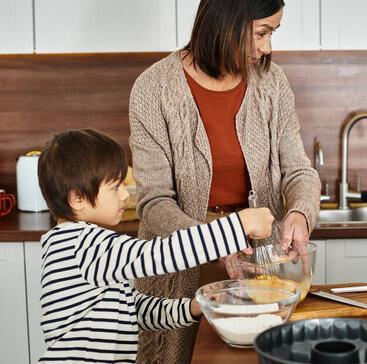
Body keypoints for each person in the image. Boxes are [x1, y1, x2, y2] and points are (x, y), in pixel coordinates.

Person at [128, 0, 320, 362]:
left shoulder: (272, 83)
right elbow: (154, 203)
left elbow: (299, 170)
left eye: (272, 34)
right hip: (179, 265)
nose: (266, 48)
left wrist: (300, 212)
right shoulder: (153, 89)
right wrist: (213, 239)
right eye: (262, 32)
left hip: (260, 264)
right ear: (227, 22)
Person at [36, 128, 273, 362]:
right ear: (77, 199)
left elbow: (131, 311)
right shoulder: (83, 246)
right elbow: (164, 253)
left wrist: (193, 307)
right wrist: (240, 224)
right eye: (115, 187)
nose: (125, 196)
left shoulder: (75, 246)